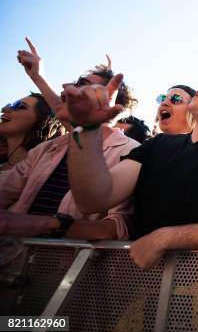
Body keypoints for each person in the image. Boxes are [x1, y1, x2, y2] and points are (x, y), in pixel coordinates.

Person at [64, 72, 198, 269]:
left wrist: (165, 238)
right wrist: (87, 129)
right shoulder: (157, 145)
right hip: (139, 284)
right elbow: (93, 199)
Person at [0, 67, 139, 240]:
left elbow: (118, 227)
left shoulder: (130, 152)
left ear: (107, 99)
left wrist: (43, 224)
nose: (67, 88)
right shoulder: (47, 148)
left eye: (82, 85)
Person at [0, 93, 62, 171]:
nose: (4, 108)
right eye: (10, 105)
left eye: (20, 106)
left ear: (42, 123)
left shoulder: (42, 170)